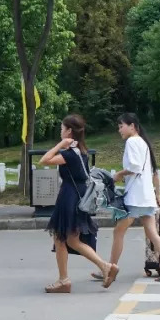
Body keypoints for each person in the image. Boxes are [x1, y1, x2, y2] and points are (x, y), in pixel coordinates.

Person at [38, 115, 118, 293]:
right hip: (78, 196)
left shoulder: (69, 154)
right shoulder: (82, 151)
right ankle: (65, 279)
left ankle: (102, 267)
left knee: (68, 239)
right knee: (63, 239)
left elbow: (44, 160)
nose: (60, 131)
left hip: (69, 197)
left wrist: (60, 145)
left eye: (62, 128)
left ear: (69, 131)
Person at [97, 113, 160, 283]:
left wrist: (120, 173)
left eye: (121, 126)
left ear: (132, 126)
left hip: (136, 197)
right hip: (145, 196)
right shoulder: (142, 142)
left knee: (119, 231)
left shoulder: (132, 141)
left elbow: (134, 166)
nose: (119, 129)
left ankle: (109, 268)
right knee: (152, 233)